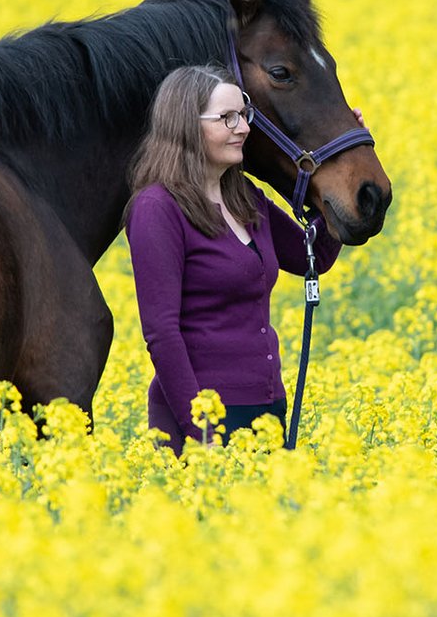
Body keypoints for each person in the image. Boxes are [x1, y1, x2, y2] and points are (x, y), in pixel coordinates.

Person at [124, 65, 357, 453]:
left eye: (244, 114)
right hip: (204, 418)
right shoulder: (158, 209)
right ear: (186, 125)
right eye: (227, 118)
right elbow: (162, 334)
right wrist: (201, 430)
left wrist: (343, 178)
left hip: (265, 409)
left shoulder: (245, 197)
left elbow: (309, 256)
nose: (244, 128)